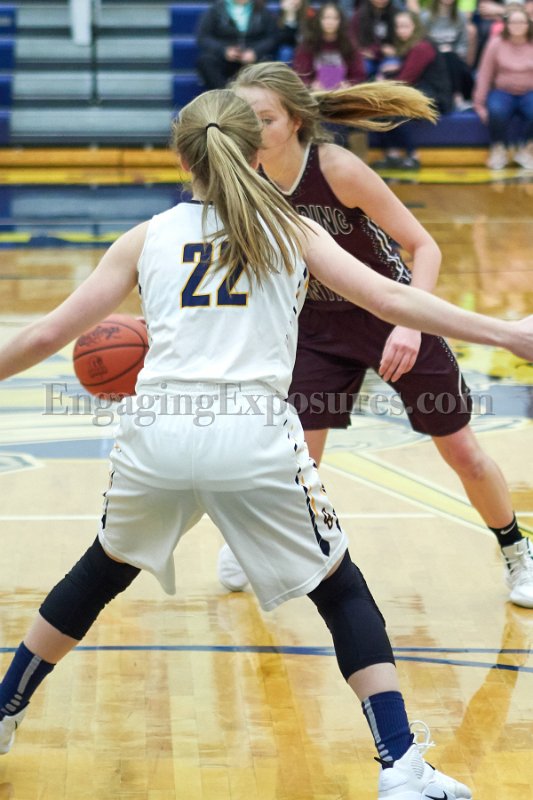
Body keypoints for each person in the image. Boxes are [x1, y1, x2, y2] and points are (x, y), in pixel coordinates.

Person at [2, 89, 532, 797]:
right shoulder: (290, 229)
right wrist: (506, 333)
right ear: (258, 153)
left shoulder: (145, 237)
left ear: (182, 158)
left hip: (155, 435)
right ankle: (401, 765)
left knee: (98, 573)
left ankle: (4, 712)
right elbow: (392, 298)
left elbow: (45, 334)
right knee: (341, 591)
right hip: (252, 438)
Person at [217, 61, 533, 610]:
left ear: (295, 121)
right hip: (317, 326)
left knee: (462, 451)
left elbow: (425, 247)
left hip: (394, 316)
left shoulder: (336, 167)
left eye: (265, 119)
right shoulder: (246, 179)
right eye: (245, 120)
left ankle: (516, 552)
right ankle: (257, 542)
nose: (254, 130)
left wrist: (411, 325)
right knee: (297, 456)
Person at [373, 10, 453, 169]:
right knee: (382, 108)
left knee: (394, 109)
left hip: (435, 98)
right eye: (398, 27)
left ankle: (413, 155)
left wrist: (380, 84)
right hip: (421, 92)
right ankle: (392, 154)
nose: (401, 30)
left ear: (415, 26)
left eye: (405, 26)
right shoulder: (411, 45)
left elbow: (405, 80)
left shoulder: (422, 47)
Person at [472, 3, 533, 170]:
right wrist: (479, 104)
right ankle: (499, 149)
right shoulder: (496, 43)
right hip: (502, 91)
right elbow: (484, 74)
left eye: (522, 22)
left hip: (530, 92)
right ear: (506, 25)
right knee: (496, 111)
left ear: (528, 24)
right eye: (513, 22)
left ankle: (527, 150)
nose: (518, 26)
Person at [195, 0, 278, 90]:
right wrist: (224, 50)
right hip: (224, 59)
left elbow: (272, 37)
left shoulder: (263, 11)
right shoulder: (215, 10)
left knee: (267, 63)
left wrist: (255, 52)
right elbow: (203, 37)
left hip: (253, 58)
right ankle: (225, 94)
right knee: (206, 61)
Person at [293, 2, 366, 90]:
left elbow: (359, 75)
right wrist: (311, 85)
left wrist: (349, 84)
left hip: (343, 92)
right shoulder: (308, 44)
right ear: (319, 20)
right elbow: (300, 74)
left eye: (335, 18)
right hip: (315, 93)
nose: (330, 22)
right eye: (326, 18)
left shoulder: (349, 44)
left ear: (341, 21)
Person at [419, 0, 476, 110]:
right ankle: (457, 97)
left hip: (454, 60)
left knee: (451, 56)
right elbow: (421, 44)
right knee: (446, 55)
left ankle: (458, 97)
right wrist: (438, 51)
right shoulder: (425, 17)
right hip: (433, 61)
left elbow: (463, 43)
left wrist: (455, 52)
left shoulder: (460, 16)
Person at [349, 0, 402, 78]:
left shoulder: (397, 14)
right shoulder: (359, 15)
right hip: (367, 56)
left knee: (392, 67)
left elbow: (403, 39)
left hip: (389, 56)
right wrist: (361, 52)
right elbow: (352, 38)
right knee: (362, 68)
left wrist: (396, 50)